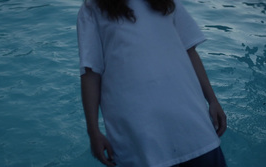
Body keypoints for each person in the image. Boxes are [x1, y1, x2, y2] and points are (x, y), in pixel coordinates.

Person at [77, 0, 227, 166]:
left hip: (190, 122)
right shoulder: (92, 10)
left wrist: (212, 100)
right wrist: (93, 130)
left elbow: (190, 51)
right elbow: (91, 74)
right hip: (139, 133)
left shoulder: (167, 2)